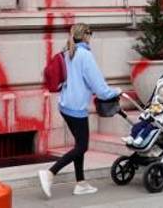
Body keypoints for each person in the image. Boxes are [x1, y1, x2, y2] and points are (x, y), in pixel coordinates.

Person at [38, 24, 120, 198]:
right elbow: (99, 87)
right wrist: (116, 92)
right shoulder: (85, 55)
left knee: (79, 145)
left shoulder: (68, 52)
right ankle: (50, 173)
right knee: (82, 146)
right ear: (86, 36)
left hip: (65, 105)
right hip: (76, 107)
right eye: (91, 35)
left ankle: (81, 183)